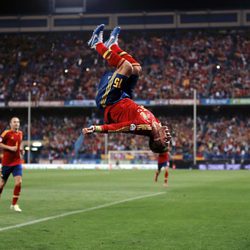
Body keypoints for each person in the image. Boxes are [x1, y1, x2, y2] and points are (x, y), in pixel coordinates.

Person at [82, 24, 171, 154]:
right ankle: (112, 45)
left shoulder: (143, 128)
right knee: (137, 69)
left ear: (156, 139)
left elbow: (118, 128)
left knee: (126, 67)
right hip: (124, 96)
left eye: (165, 141)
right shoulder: (156, 123)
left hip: (110, 101)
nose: (167, 138)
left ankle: (96, 43)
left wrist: (96, 128)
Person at [0, 117, 24, 212]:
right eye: (14, 122)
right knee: (1, 185)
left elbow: (19, 145)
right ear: (10, 124)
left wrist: (21, 151)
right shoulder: (6, 133)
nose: (16, 123)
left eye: (18, 122)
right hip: (6, 163)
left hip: (17, 162)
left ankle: (14, 204)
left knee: (19, 182)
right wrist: (10, 148)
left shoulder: (21, 133)